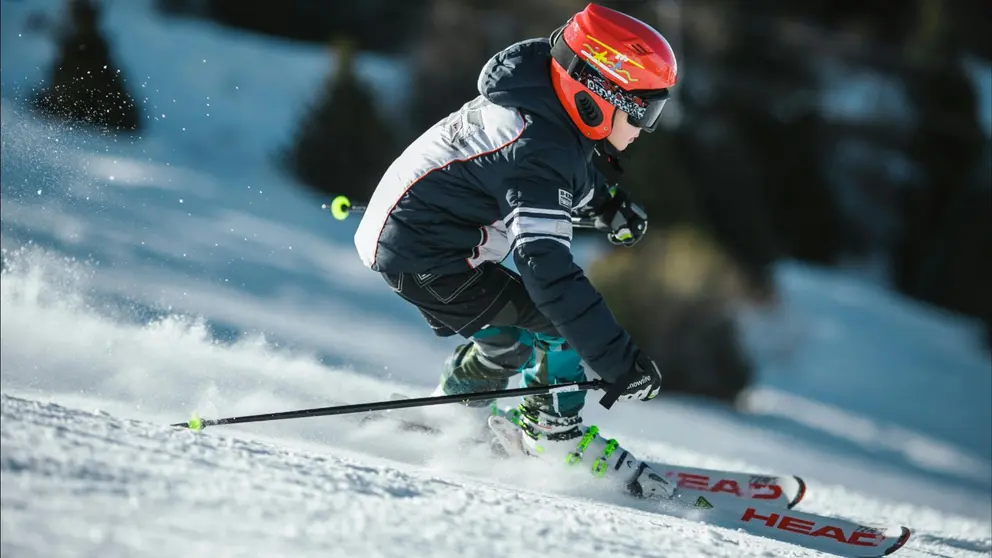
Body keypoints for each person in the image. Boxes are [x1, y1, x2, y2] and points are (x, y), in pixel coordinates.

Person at [354, 3, 678, 478]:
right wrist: (618, 361)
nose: (648, 127)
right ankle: (552, 434)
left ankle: (454, 414)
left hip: (417, 241)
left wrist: (605, 204)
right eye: (645, 110)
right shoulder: (536, 149)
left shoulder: (541, 106)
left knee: (510, 340)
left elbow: (558, 175)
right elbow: (547, 271)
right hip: (425, 255)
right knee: (556, 324)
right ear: (602, 94)